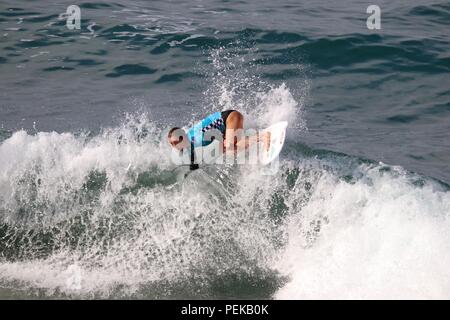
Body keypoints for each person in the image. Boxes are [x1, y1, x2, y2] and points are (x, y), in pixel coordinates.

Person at [168, 110, 270, 165]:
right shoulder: (187, 140)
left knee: (229, 148)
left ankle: (262, 137)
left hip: (230, 118)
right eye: (171, 144)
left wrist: (224, 142)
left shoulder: (197, 138)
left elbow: (214, 134)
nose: (173, 147)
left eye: (174, 143)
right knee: (230, 150)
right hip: (226, 122)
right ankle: (254, 139)